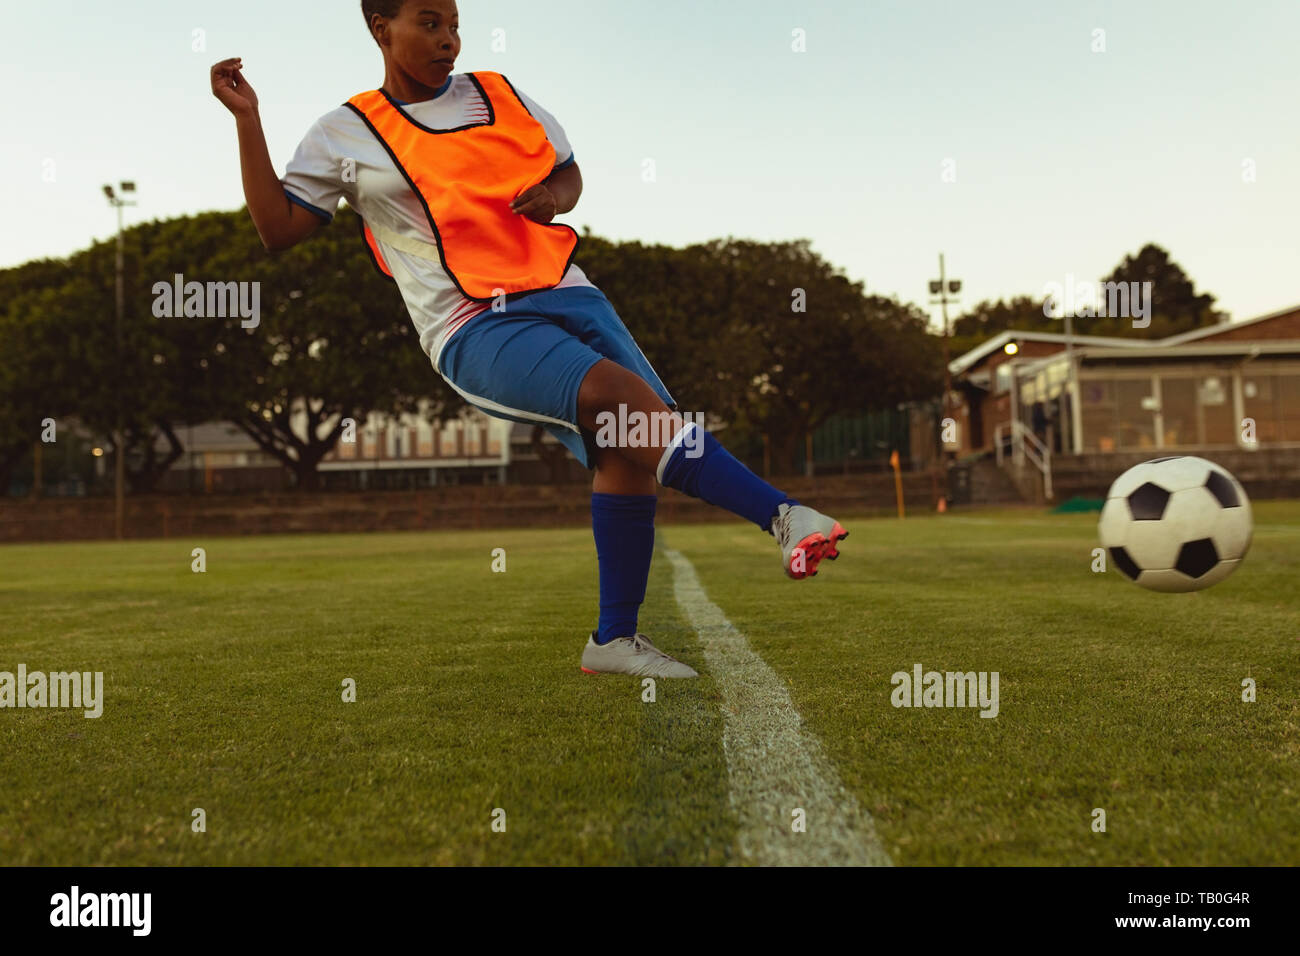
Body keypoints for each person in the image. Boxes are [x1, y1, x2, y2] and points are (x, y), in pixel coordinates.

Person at [209, 0, 849, 679]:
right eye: (429, 23)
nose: (448, 39)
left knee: (630, 446)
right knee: (616, 399)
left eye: (454, 24)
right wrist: (249, 121)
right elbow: (277, 229)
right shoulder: (346, 132)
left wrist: (552, 197)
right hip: (472, 323)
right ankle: (785, 518)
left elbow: (568, 170)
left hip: (570, 292)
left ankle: (613, 641)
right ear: (380, 29)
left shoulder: (500, 94)